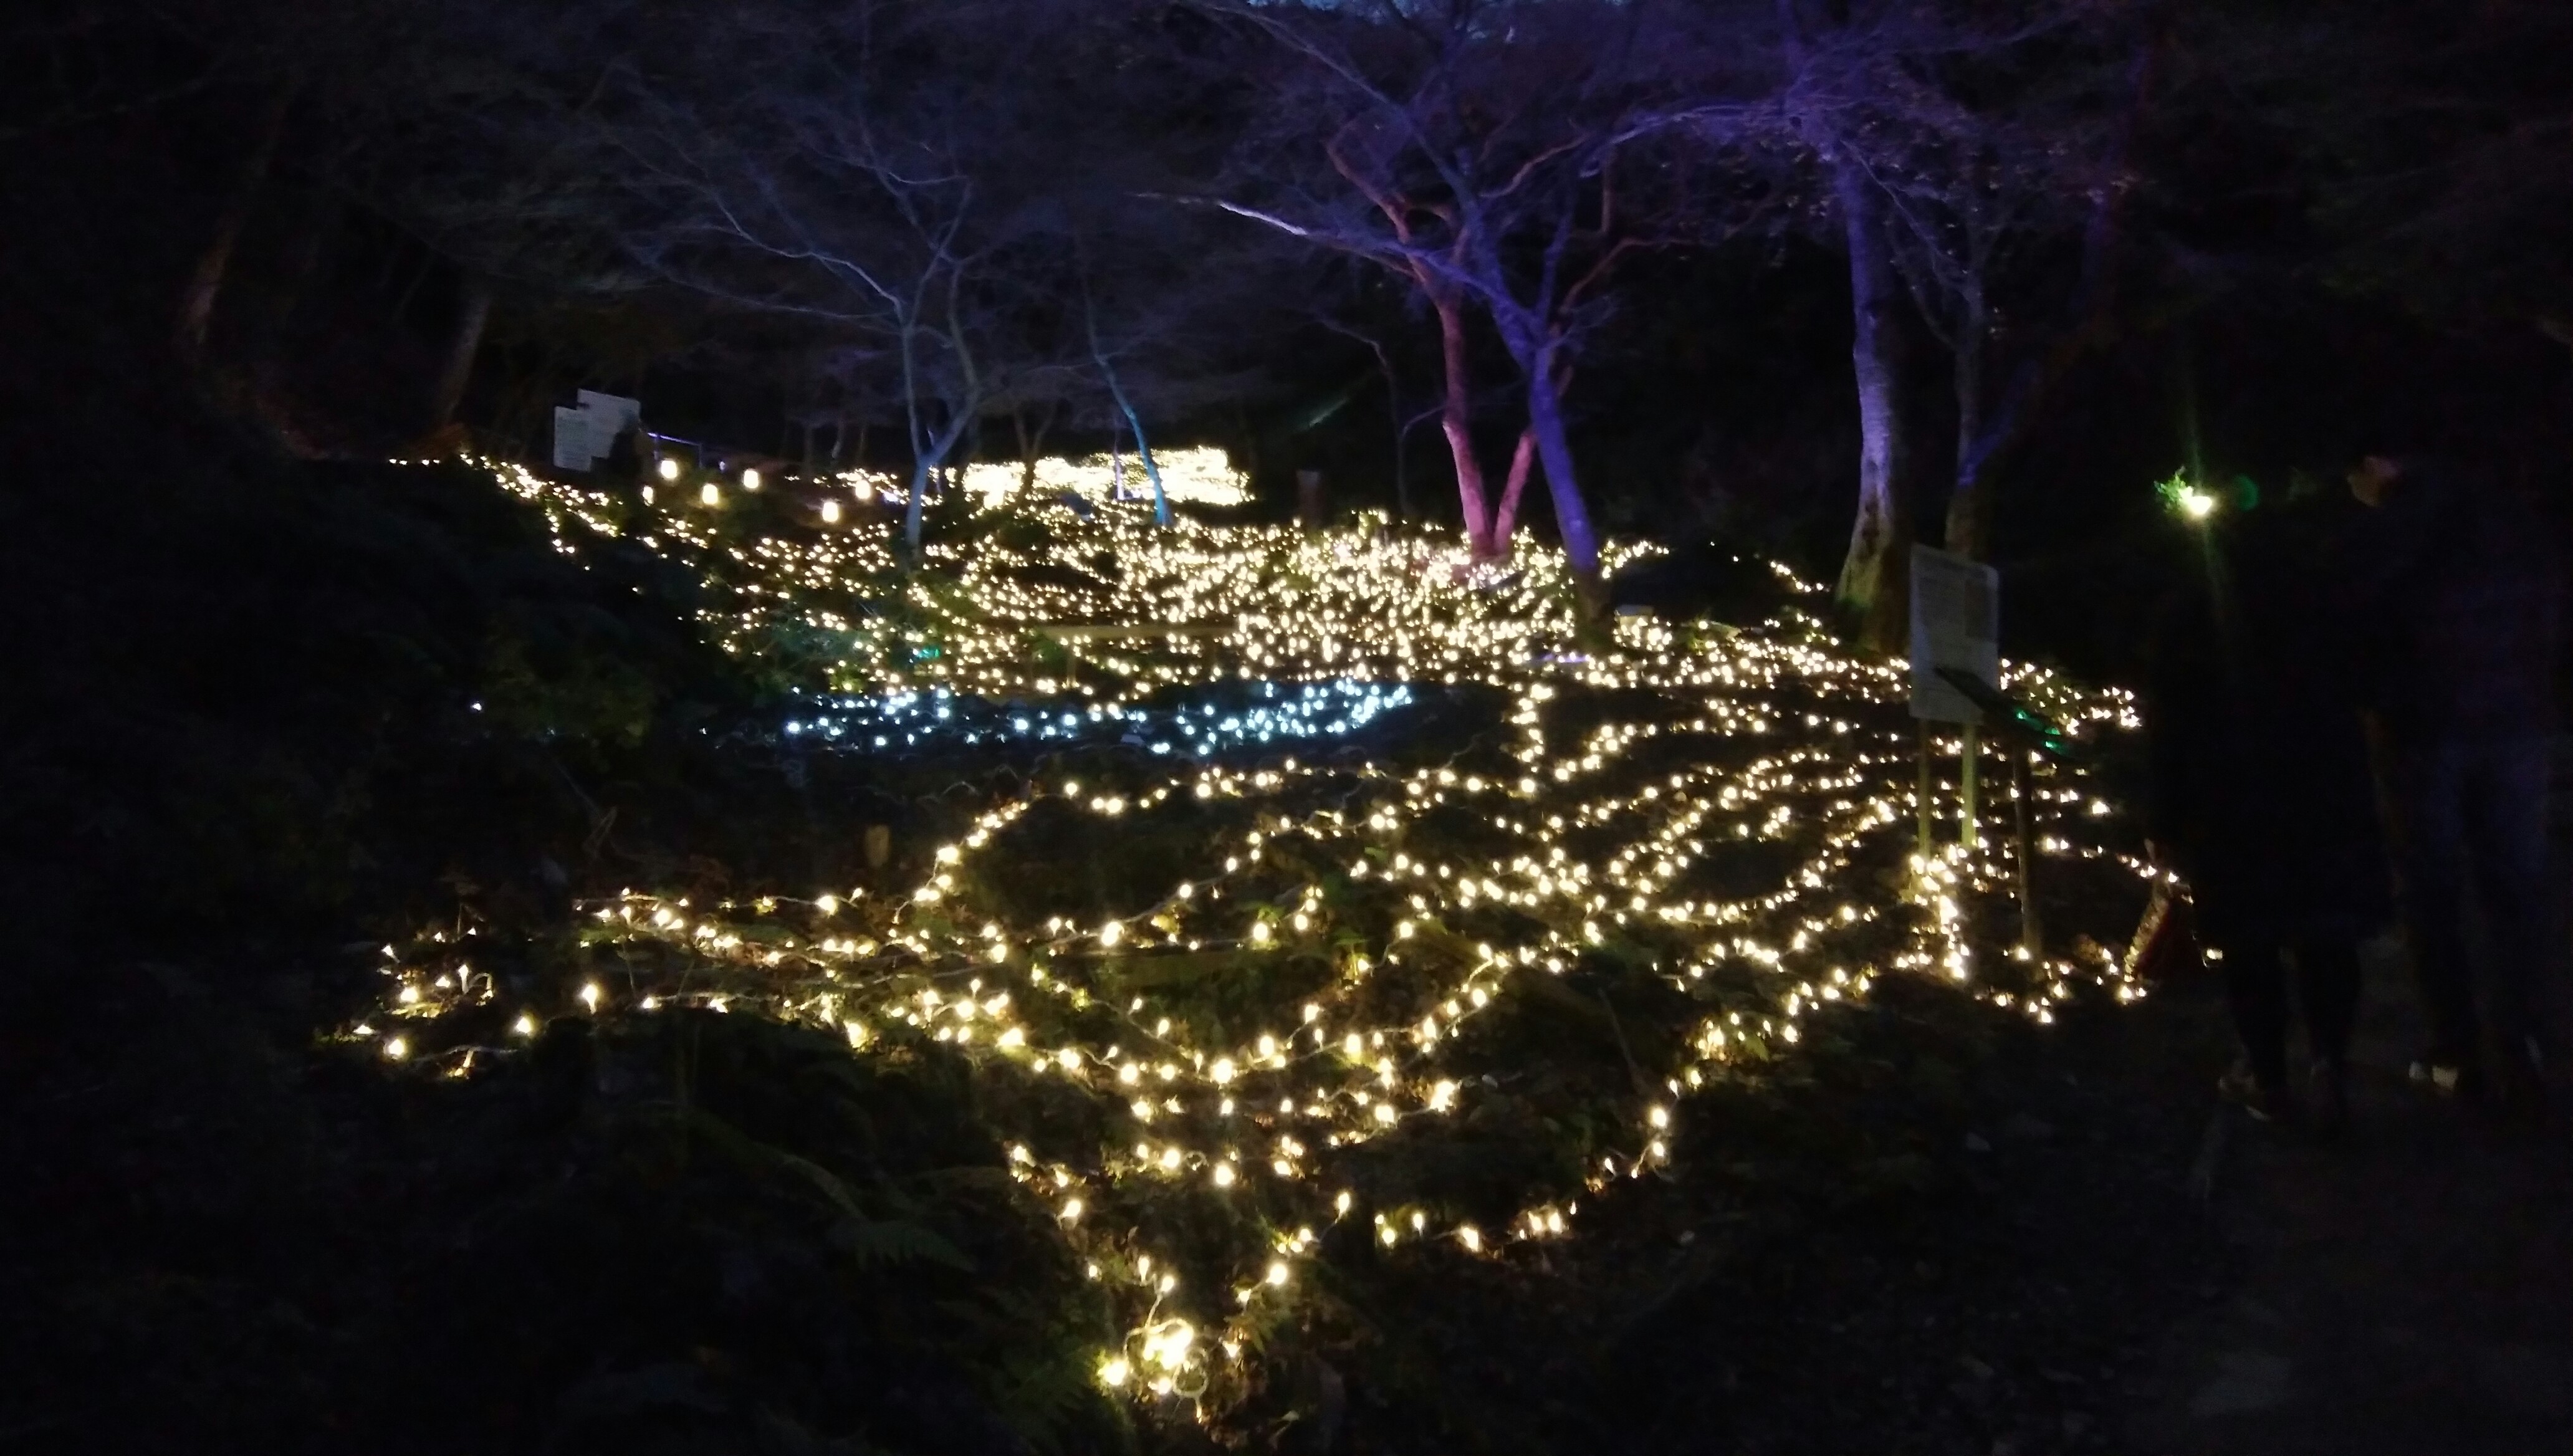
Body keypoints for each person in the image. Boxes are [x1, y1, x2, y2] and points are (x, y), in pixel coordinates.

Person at [2146, 502, 2390, 1131]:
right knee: (2326, 937)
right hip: (2322, 792)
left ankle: (2270, 1076)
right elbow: (2371, 687)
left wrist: (2164, 816)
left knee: (2249, 944)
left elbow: (2169, 724)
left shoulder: (2190, 612)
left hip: (2231, 802)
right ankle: (2331, 1064)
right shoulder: (2326, 606)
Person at [2342, 454, 2562, 1114]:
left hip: (2423, 732)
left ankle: (2454, 1049)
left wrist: (2376, 703)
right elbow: (2545, 608)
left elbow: (2360, 633)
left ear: (2379, 467)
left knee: (2431, 892)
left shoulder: (2387, 537)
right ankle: (2522, 1042)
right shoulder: (2505, 524)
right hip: (2513, 722)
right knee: (2515, 889)